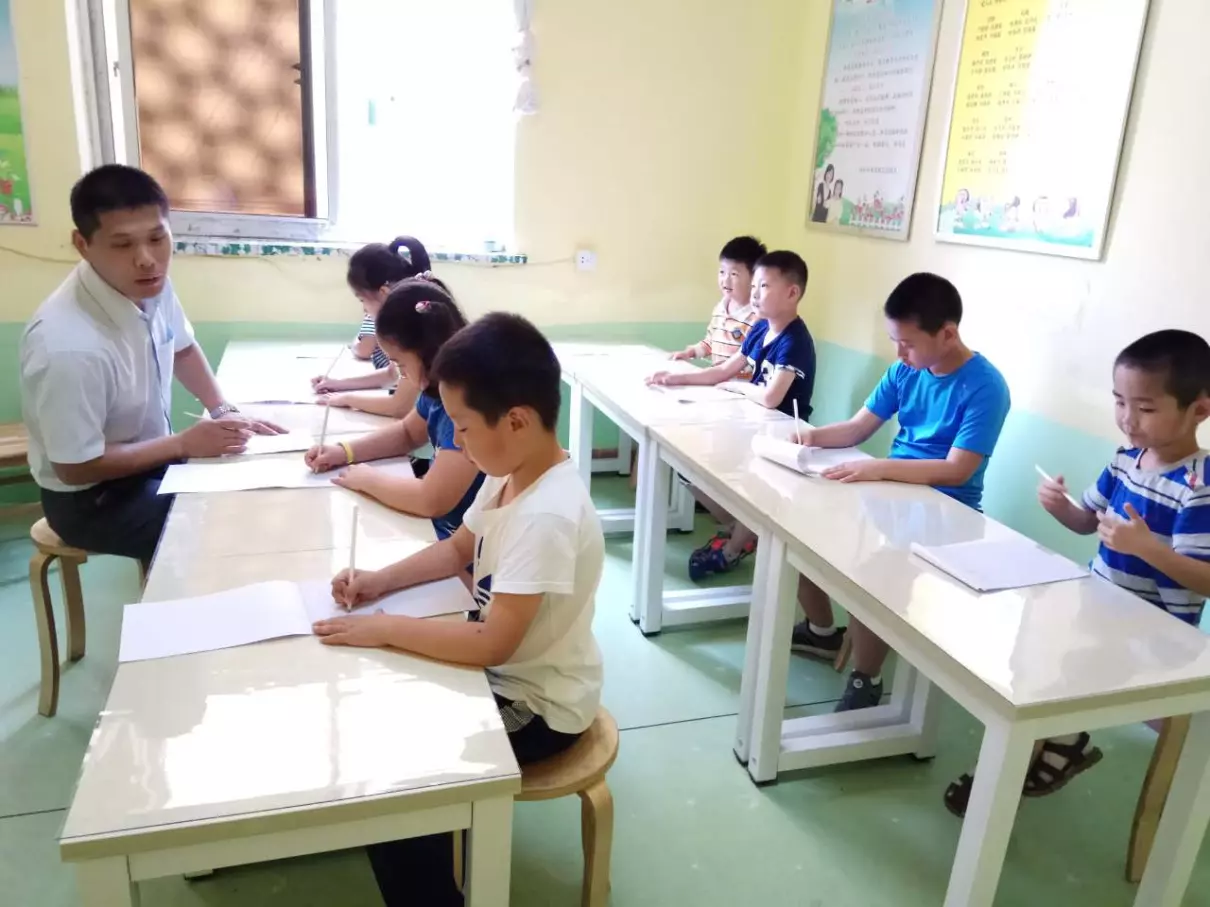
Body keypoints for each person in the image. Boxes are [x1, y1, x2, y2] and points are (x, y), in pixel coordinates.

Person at [314, 312, 604, 906]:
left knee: (392, 793)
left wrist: (386, 629)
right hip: (503, 673)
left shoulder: (546, 515)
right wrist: (377, 583)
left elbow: (493, 644)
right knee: (381, 712)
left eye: (464, 429)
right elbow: (456, 550)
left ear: (516, 420)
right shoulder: (513, 472)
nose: (458, 443)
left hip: (537, 705)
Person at [945, 329, 1210, 818]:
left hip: (1158, 634)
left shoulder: (1198, 484)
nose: (1127, 419)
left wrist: (1147, 548)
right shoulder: (1126, 460)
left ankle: (1015, 765)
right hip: (1100, 604)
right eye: (1119, 402)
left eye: (1146, 408)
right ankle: (1043, 747)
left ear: (1199, 409)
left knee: (1048, 668)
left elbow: (1204, 579)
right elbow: (1087, 521)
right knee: (1030, 645)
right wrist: (1059, 507)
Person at [19, 164, 282, 570]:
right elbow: (74, 467)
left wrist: (223, 410)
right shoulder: (66, 346)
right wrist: (182, 445)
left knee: (258, 481)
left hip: (150, 460)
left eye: (157, 238)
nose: (146, 259)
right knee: (226, 528)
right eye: (122, 244)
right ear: (82, 244)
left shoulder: (149, 284)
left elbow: (182, 348)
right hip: (90, 500)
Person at [790, 273, 1011, 710]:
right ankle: (823, 632)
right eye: (894, 341)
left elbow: (956, 471)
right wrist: (809, 437)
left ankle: (866, 677)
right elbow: (857, 428)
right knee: (801, 534)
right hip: (892, 497)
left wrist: (877, 468)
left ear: (947, 334)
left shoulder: (986, 386)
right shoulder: (906, 371)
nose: (899, 354)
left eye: (907, 343)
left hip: (949, 513)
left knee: (871, 575)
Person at [648, 251, 816, 580]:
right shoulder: (760, 328)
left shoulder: (795, 340)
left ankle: (733, 548)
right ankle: (742, 529)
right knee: (688, 467)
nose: (754, 294)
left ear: (792, 293)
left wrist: (737, 387)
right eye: (753, 286)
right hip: (752, 424)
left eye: (763, 286)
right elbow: (724, 370)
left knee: (752, 489)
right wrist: (678, 377)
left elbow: (771, 397)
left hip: (781, 435)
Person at [304, 278, 483, 539]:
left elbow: (431, 500)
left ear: (428, 353)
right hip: (447, 531)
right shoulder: (436, 390)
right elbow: (407, 433)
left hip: (465, 541)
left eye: (401, 365)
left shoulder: (465, 403)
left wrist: (369, 480)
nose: (402, 375)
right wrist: (345, 452)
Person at [314, 235, 433, 417]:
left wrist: (347, 399)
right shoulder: (408, 318)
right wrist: (338, 384)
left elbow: (399, 407)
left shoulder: (412, 328)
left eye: (362, 300)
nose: (364, 309)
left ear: (384, 293)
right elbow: (392, 374)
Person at [669, 235, 766, 377]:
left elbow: (755, 361)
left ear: (755, 278)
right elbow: (710, 342)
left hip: (741, 387)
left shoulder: (758, 318)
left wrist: (725, 372)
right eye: (722, 272)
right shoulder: (720, 308)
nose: (725, 279)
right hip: (718, 383)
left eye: (734, 274)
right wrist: (690, 352)